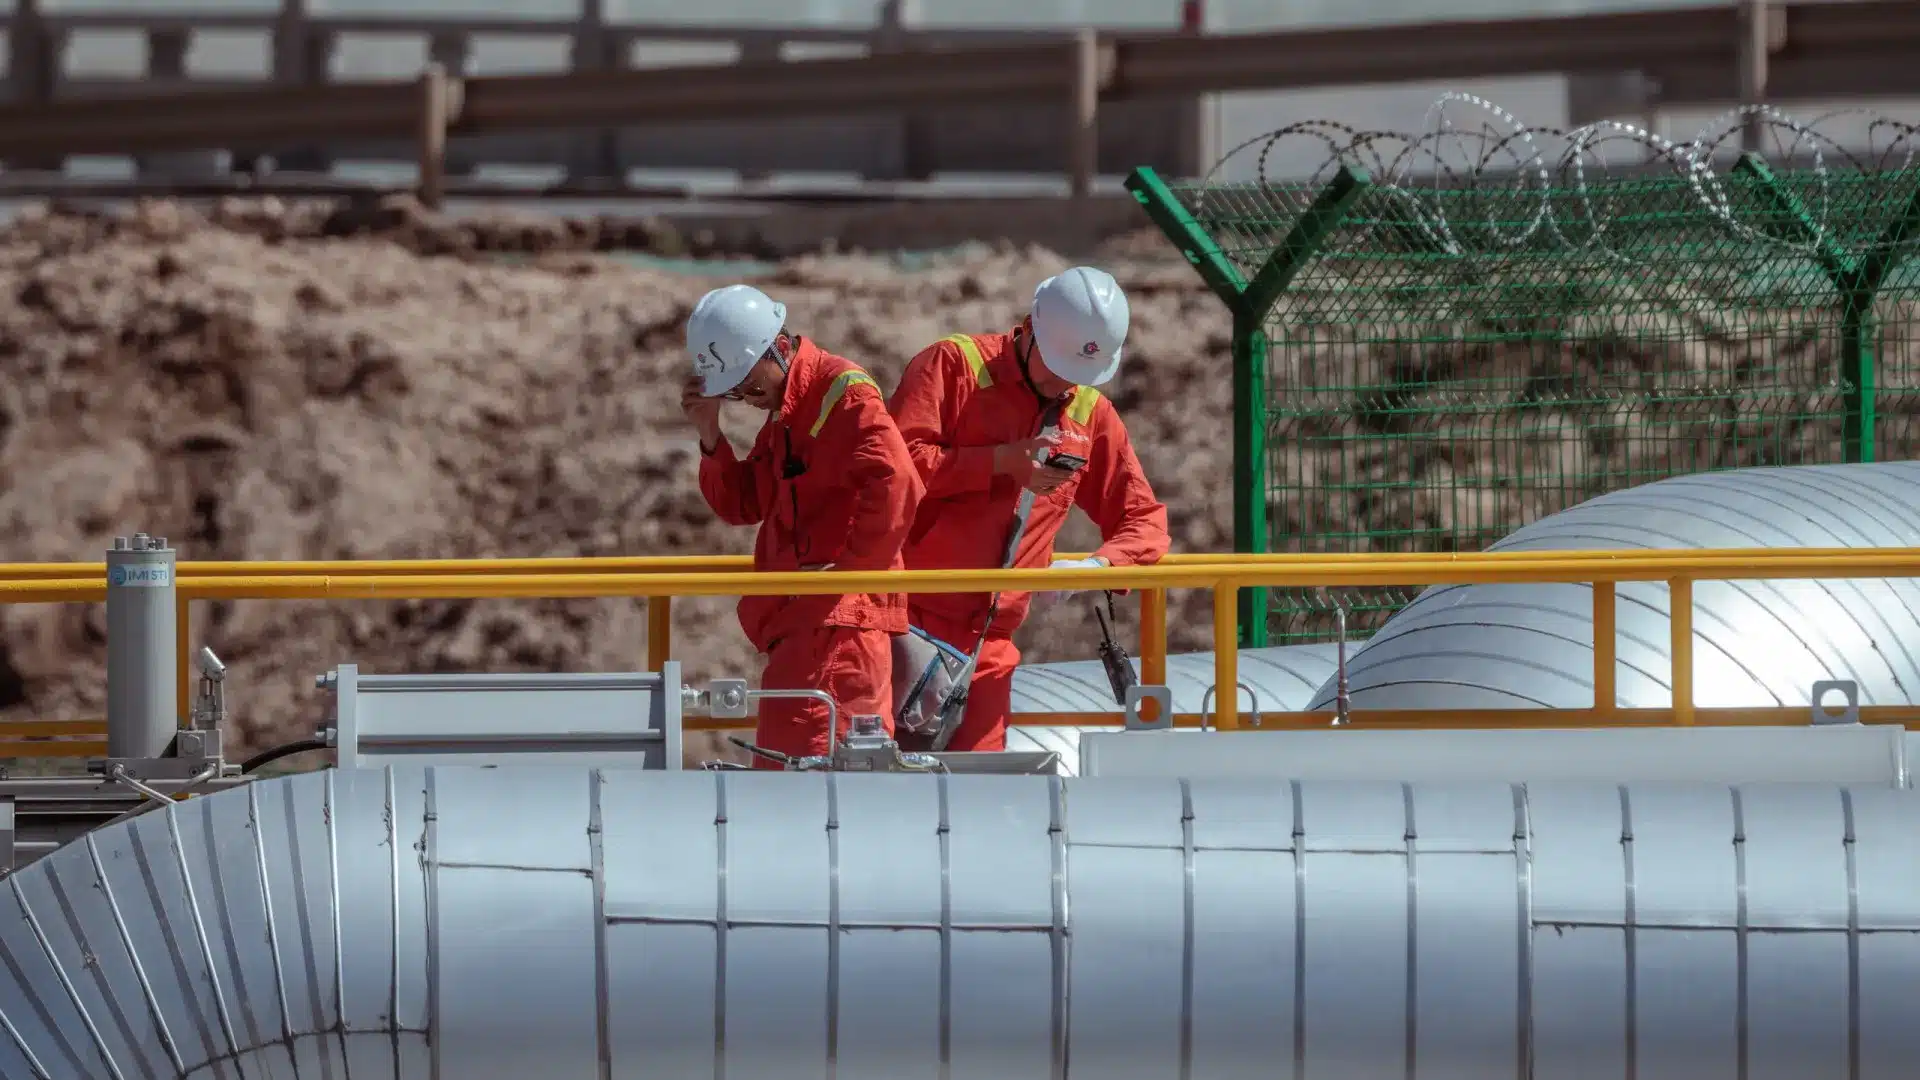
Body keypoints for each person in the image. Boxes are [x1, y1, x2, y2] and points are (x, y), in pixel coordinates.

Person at [887, 265, 1169, 752]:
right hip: (901, 625)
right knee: (877, 791)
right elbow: (893, 472)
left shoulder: (1088, 412)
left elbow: (1144, 521)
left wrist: (1100, 566)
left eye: (1079, 375)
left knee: (975, 803)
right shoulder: (954, 367)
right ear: (1029, 326)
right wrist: (998, 462)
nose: (1065, 384)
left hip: (988, 650)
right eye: (1058, 367)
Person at [681, 283, 923, 768]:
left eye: (750, 385)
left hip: (839, 632)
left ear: (783, 348)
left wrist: (847, 581)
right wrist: (711, 435)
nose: (747, 400)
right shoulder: (787, 414)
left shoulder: (843, 394)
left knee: (819, 790)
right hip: (803, 627)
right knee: (788, 785)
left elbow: (898, 484)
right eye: (735, 392)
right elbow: (745, 503)